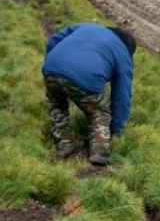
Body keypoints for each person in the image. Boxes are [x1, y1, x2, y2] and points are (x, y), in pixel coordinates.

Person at [42, 24, 136, 166]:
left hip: (51, 68)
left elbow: (54, 39)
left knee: (57, 105)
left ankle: (64, 144)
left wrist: (52, 63)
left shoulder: (88, 27)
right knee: (99, 113)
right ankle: (99, 152)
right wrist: (117, 130)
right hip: (85, 77)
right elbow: (121, 97)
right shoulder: (123, 53)